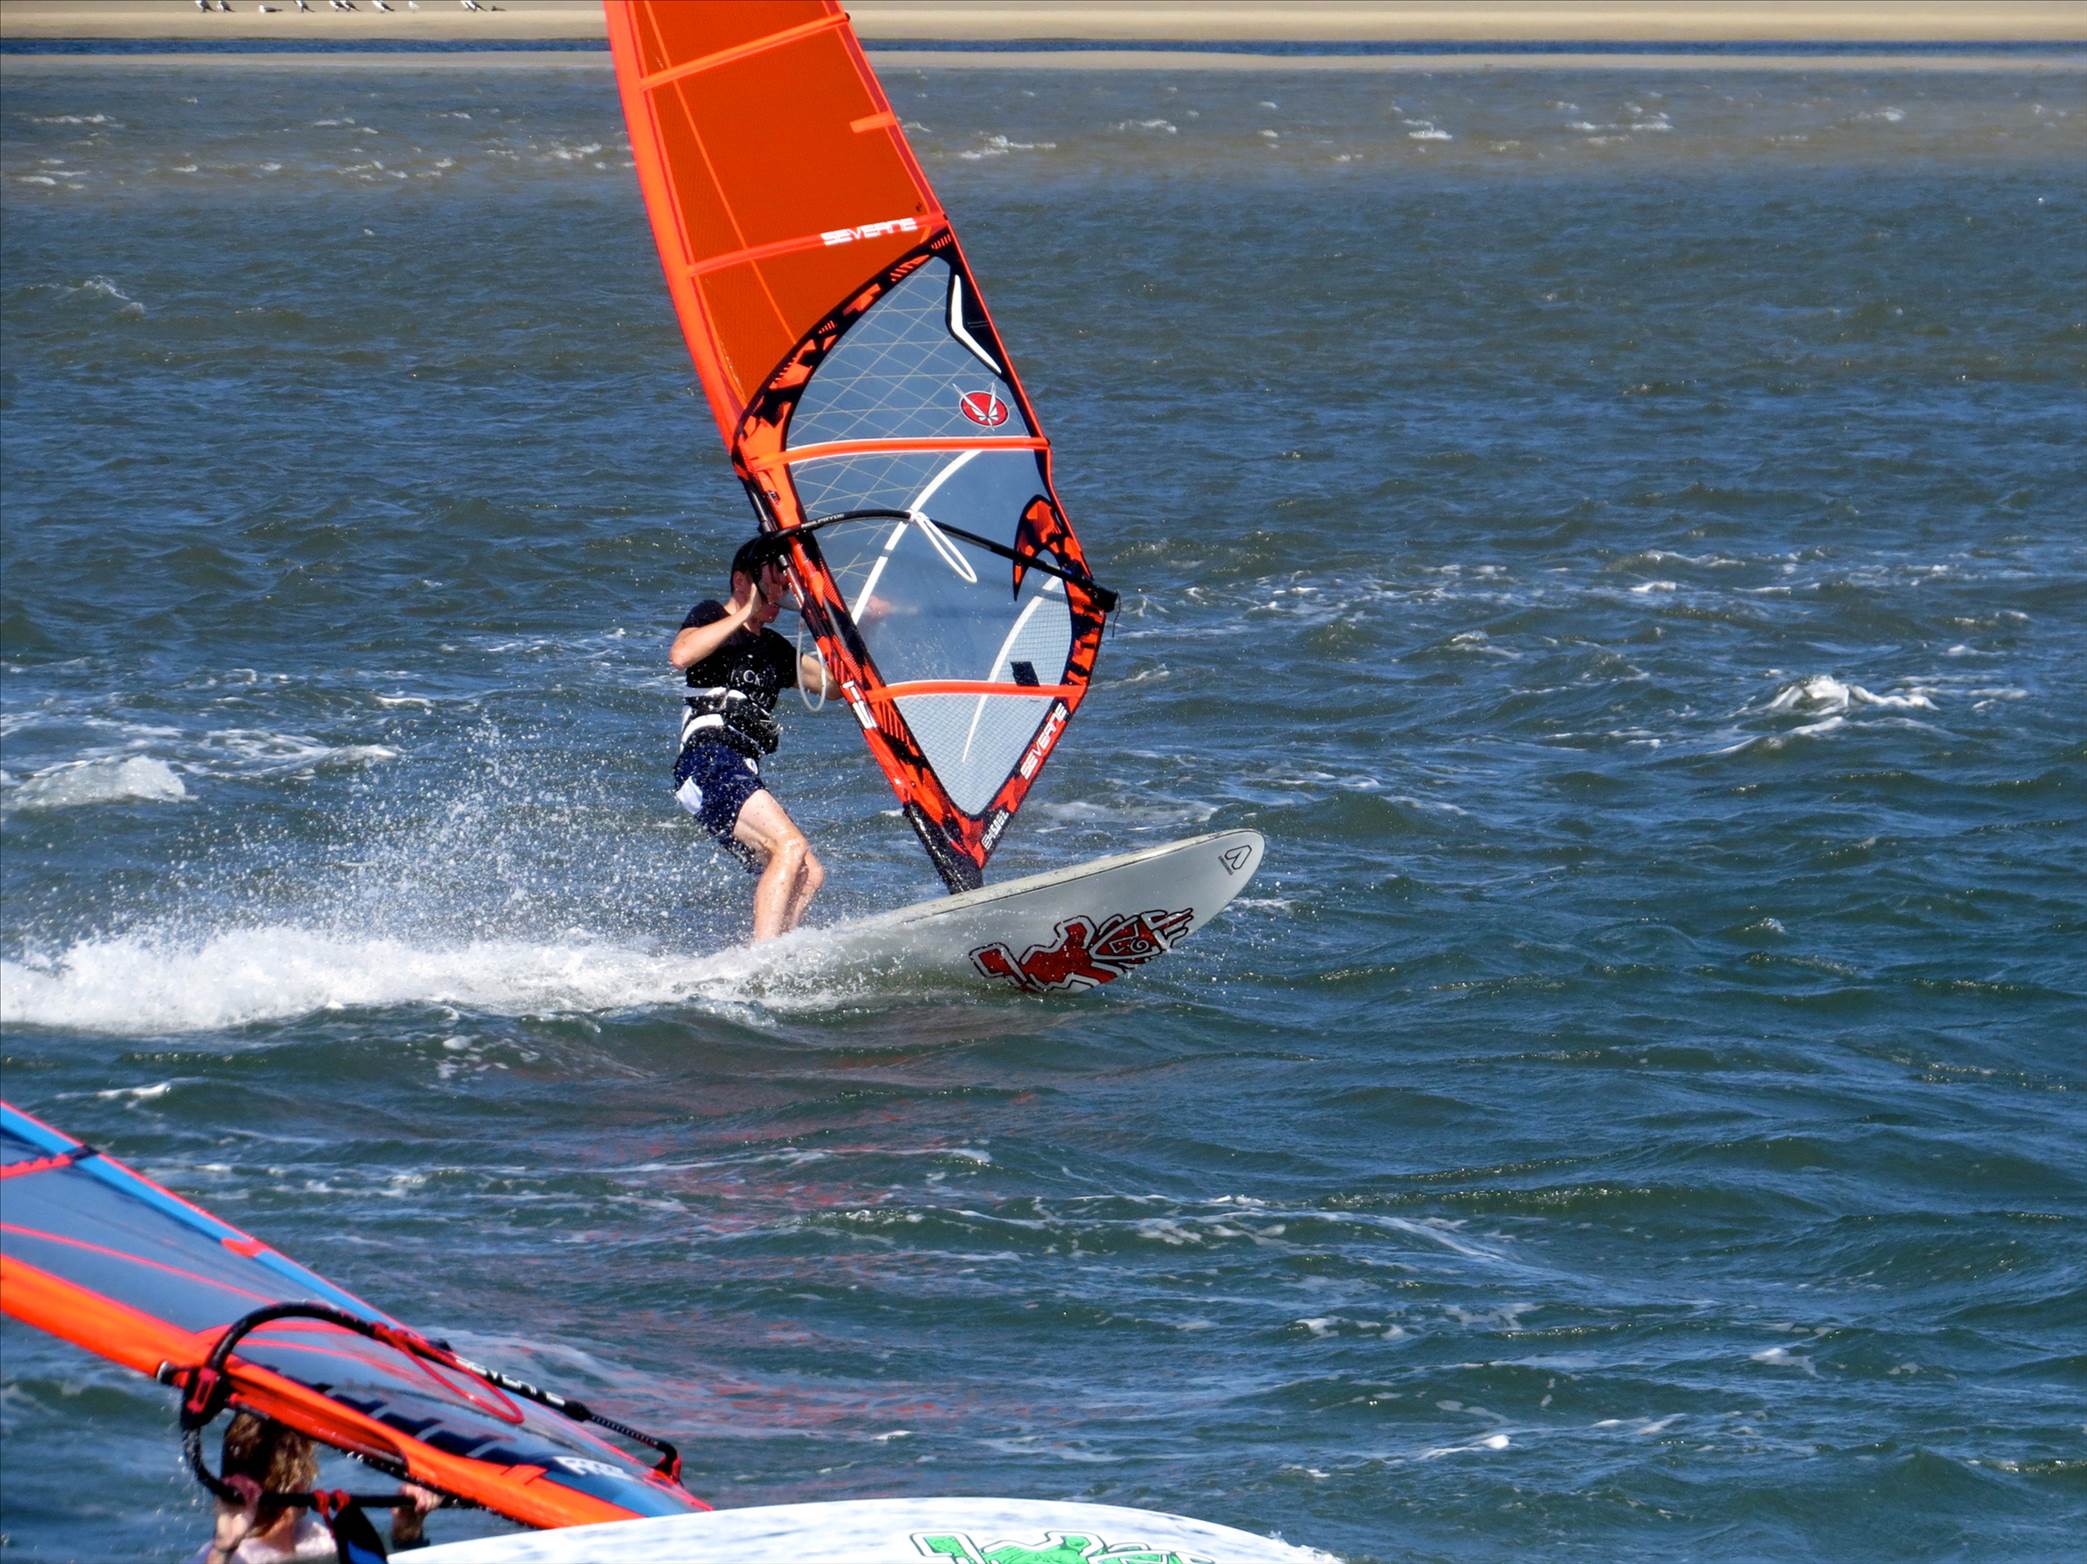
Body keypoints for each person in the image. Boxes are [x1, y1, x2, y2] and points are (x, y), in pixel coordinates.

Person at [670, 536, 835, 941]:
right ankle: (765, 957)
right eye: (772, 582)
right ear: (741, 581)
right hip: (708, 760)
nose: (780, 592)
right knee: (789, 846)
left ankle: (773, 949)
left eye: (784, 584)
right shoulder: (711, 616)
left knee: (809, 872)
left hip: (739, 768)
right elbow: (681, 655)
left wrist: (859, 626)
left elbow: (832, 686)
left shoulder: (774, 649)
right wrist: (746, 611)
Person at [192, 1412, 440, 1562]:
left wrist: (407, 1534)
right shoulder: (230, 1557)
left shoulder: (315, 1538)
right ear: (297, 1484)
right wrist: (223, 1548)